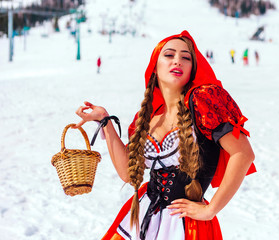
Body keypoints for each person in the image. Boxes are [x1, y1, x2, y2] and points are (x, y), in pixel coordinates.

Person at [74, 30, 256, 240]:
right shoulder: (147, 117)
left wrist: (211, 209)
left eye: (186, 57)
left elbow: (243, 153)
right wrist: (105, 121)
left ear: (193, 68)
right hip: (143, 215)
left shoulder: (202, 101)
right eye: (169, 55)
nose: (177, 61)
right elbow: (127, 173)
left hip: (186, 225)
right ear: (155, 66)